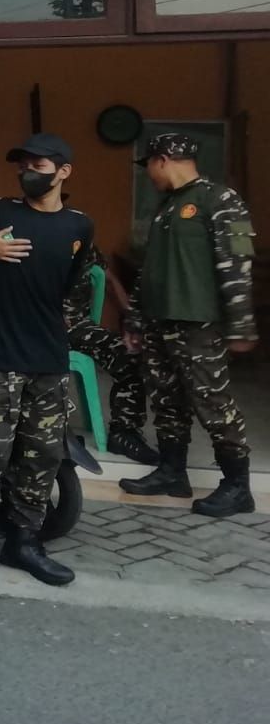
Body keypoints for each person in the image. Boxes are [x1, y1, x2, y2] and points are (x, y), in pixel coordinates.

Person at [0, 132, 92, 590]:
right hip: (0, 358)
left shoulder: (78, 227)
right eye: (23, 164)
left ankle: (23, 543)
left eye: (40, 165)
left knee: (41, 457)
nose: (28, 171)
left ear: (63, 172)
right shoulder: (1, 213)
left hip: (48, 359)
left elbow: (73, 283)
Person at [119, 133, 258, 517]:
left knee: (214, 405)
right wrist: (134, 317)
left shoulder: (220, 200)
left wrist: (242, 325)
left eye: (148, 164)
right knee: (167, 402)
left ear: (162, 160)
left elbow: (239, 263)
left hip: (199, 324)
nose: (148, 174)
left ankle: (237, 487)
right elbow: (149, 271)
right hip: (159, 322)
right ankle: (171, 472)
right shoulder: (166, 208)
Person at [65, 245, 157, 466]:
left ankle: (124, 432)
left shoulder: (79, 238)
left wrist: (131, 317)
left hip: (77, 327)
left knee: (131, 354)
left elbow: (109, 280)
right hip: (38, 326)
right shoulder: (31, 239)